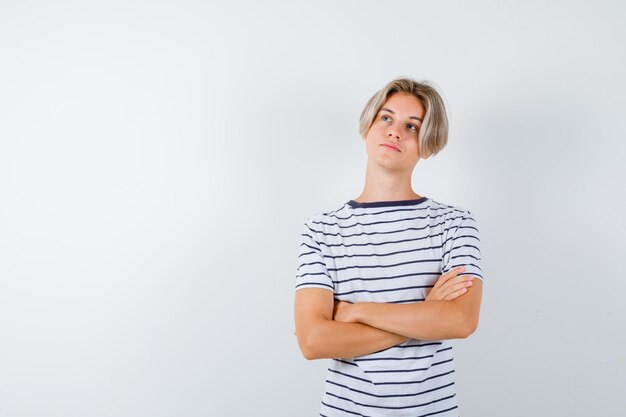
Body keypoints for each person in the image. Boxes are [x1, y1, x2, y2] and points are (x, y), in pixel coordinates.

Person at [293, 77, 484, 417]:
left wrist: (355, 312)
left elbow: (460, 320)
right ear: (367, 127)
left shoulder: (454, 224)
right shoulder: (321, 231)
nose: (395, 131)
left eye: (412, 125)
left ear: (428, 144)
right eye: (386, 118)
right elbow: (313, 341)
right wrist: (423, 316)